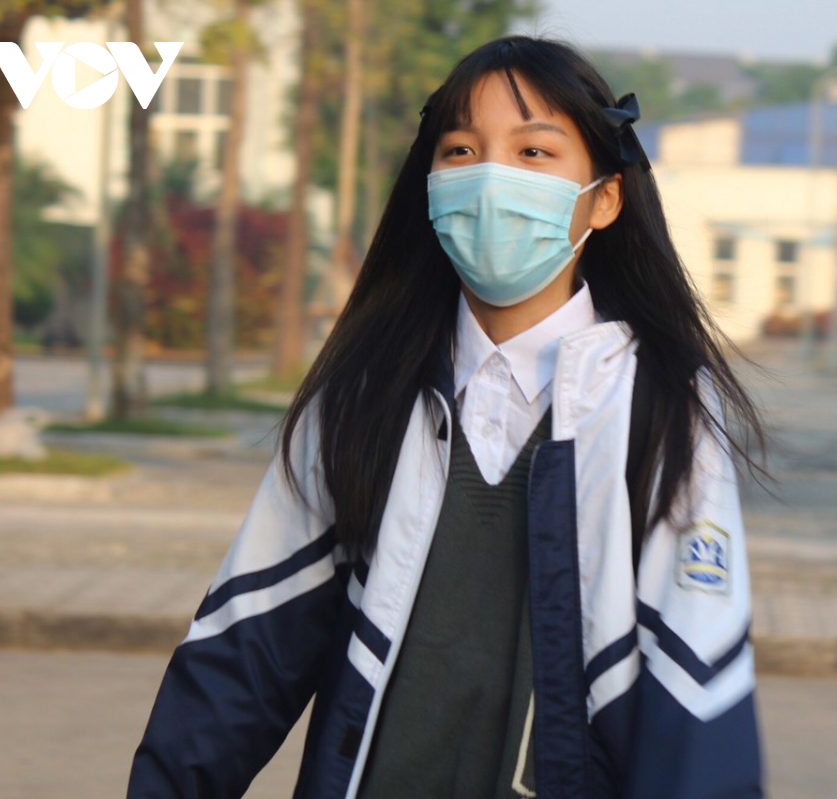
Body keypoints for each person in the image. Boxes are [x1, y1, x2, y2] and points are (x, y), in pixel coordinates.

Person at [128, 35, 766, 799]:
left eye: (533, 153)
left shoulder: (659, 405)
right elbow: (245, 650)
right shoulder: (365, 394)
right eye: (461, 151)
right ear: (430, 187)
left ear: (605, 197)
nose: (491, 180)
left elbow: (697, 688)